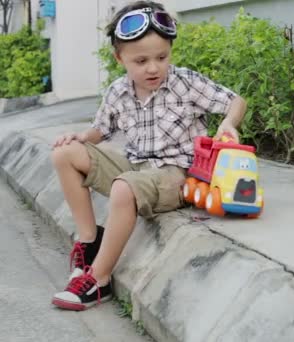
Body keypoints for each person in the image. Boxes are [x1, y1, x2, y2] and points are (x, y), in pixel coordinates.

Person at [50, 1, 246, 311]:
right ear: (120, 58)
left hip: (176, 175)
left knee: (124, 187)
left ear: (170, 51)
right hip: (136, 167)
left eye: (161, 57)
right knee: (64, 153)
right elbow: (101, 129)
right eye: (140, 60)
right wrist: (82, 138)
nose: (153, 68)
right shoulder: (118, 90)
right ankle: (89, 241)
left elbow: (236, 101)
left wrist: (227, 123)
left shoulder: (185, 83)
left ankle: (98, 280)